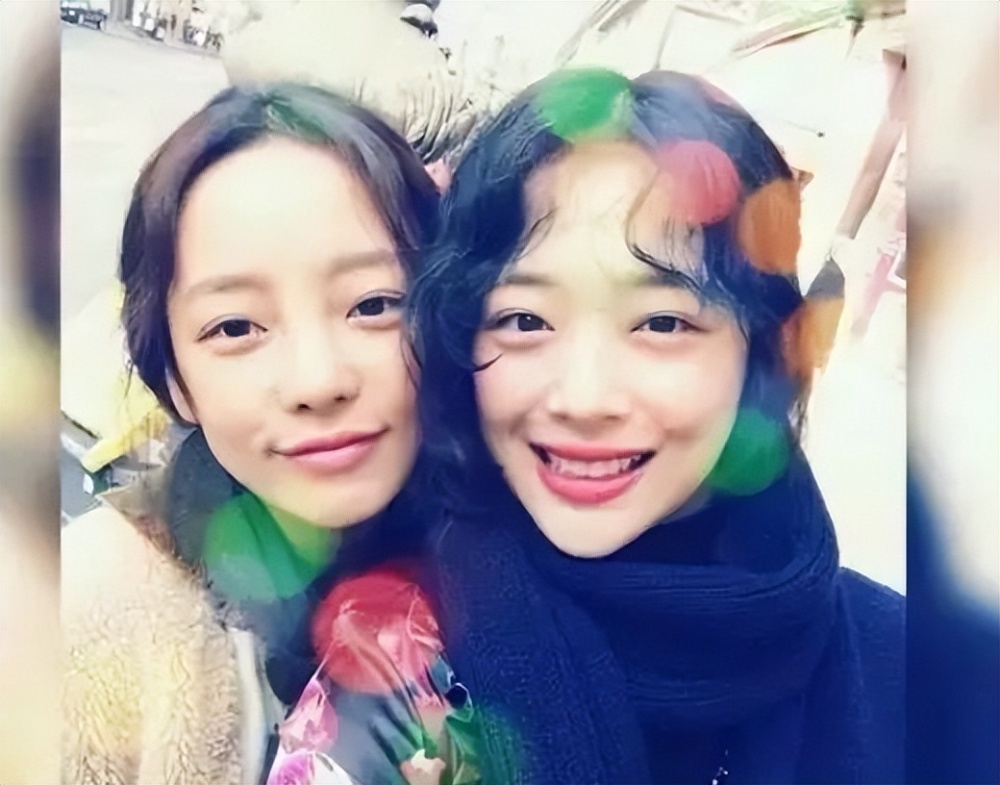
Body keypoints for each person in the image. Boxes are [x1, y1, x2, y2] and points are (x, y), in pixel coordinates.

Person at [407, 68, 905, 784]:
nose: (584, 398)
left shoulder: (925, 686)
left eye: (663, 323)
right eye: (525, 319)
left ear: (759, 354)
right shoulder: (391, 659)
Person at [61, 83, 464, 785]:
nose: (317, 380)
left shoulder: (537, 562)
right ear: (174, 379)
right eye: (236, 327)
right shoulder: (84, 610)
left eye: (373, 305)